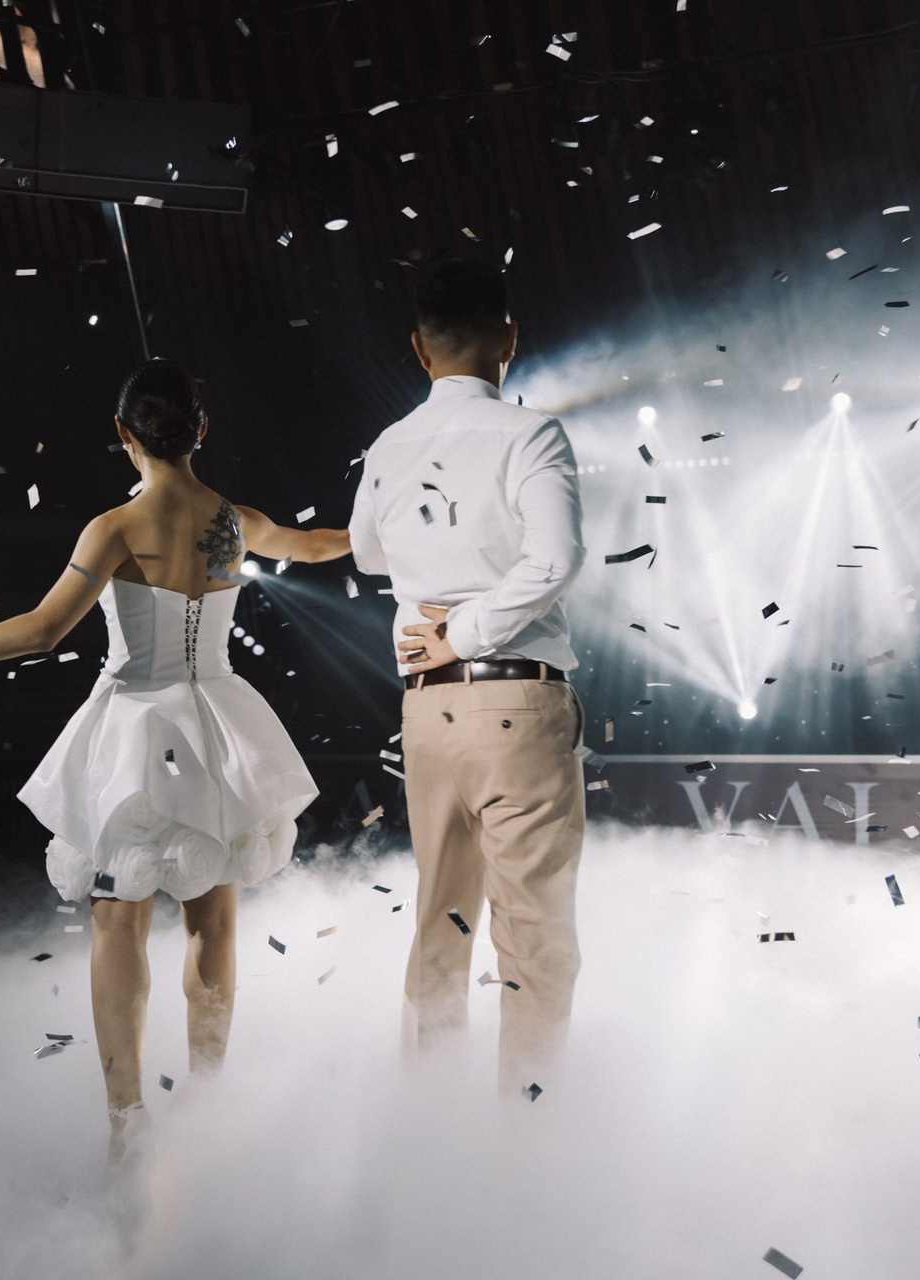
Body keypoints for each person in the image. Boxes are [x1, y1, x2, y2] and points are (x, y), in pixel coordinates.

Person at [0, 359, 350, 1165]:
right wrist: (393, 527)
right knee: (213, 921)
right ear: (202, 430)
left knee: (119, 921)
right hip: (219, 727)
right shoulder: (235, 522)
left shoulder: (114, 527)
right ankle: (208, 1109)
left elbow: (43, 631)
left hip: (135, 730)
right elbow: (318, 545)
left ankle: (127, 1123)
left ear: (122, 433)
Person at [348, 254, 588, 1096]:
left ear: (419, 350)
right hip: (515, 700)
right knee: (534, 935)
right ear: (510, 339)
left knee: (439, 924)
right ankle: (529, 1129)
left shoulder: (388, 446)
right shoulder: (530, 434)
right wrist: (464, 631)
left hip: (426, 713)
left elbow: (368, 553)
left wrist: (440, 609)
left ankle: (430, 1125)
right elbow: (555, 558)